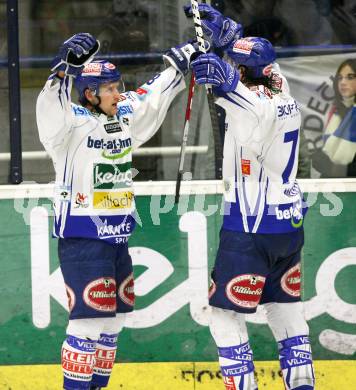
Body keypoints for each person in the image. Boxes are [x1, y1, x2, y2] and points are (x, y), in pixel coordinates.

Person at [36, 32, 199, 390]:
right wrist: (62, 70)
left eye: (118, 85)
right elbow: (50, 109)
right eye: (108, 88)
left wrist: (180, 64)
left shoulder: (122, 113)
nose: (117, 93)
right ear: (89, 94)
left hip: (118, 234)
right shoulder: (69, 123)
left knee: (112, 322)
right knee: (88, 323)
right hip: (82, 234)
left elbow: (149, 98)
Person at [186, 4, 315, 390]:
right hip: (289, 224)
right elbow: (255, 75)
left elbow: (236, 94)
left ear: (243, 72)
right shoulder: (282, 89)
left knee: (224, 316)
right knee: (286, 311)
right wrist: (230, 39)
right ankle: (303, 385)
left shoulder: (253, 107)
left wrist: (219, 74)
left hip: (250, 226)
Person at [313, 58, 356, 177]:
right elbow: (322, 158)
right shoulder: (336, 111)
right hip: (333, 186)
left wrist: (336, 167)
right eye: (340, 78)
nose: (343, 82)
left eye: (350, 77)